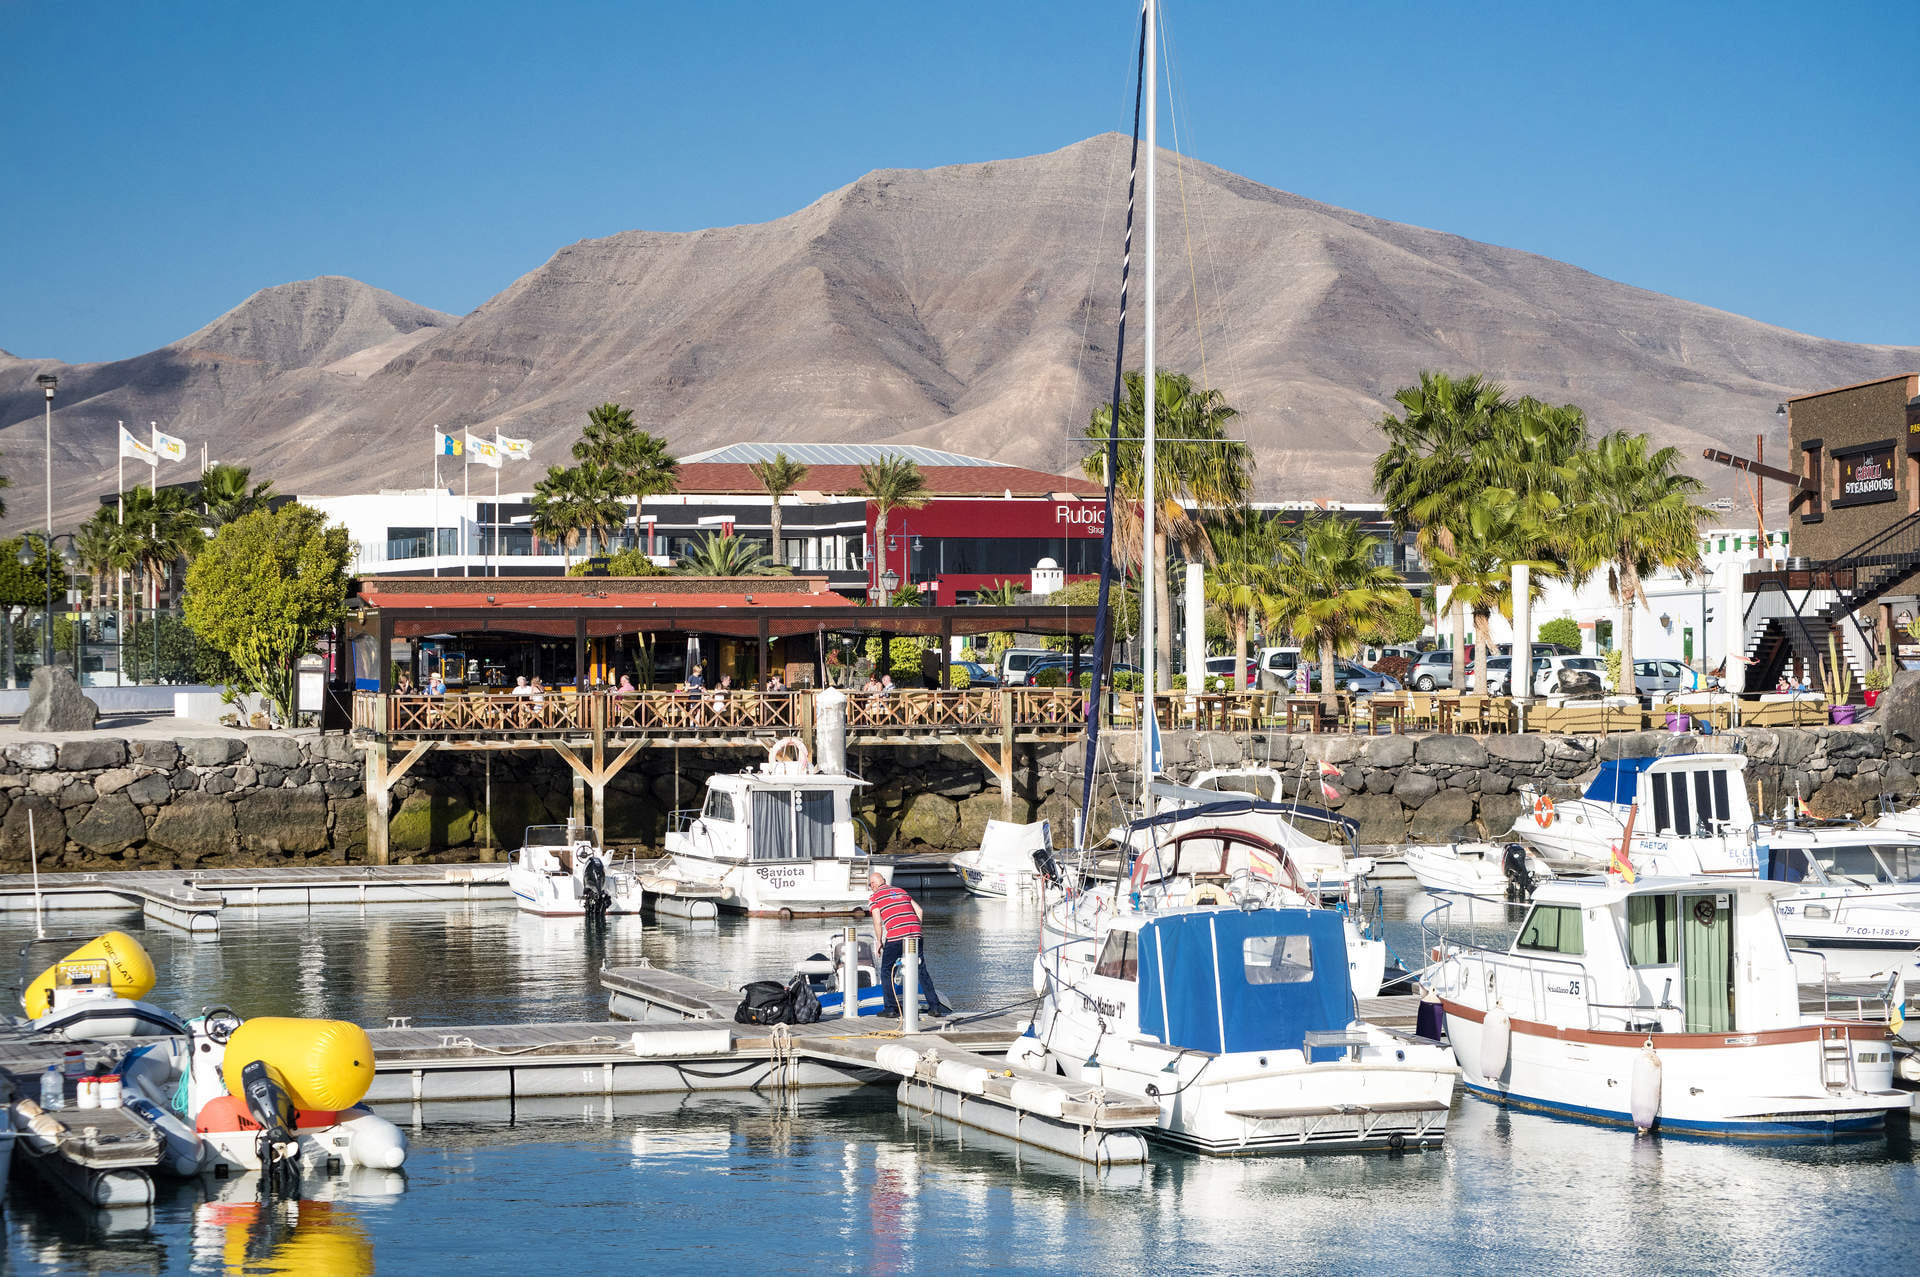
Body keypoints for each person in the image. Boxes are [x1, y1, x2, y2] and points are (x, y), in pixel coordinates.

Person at [867, 871, 949, 1018]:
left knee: (887, 970)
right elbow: (919, 910)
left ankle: (891, 1008)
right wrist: (915, 928)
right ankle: (935, 1007)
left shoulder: (874, 897)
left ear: (873, 885)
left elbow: (877, 921)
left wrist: (879, 940)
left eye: (870, 885)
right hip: (915, 933)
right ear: (884, 881)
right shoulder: (901, 891)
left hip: (896, 936)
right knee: (921, 969)